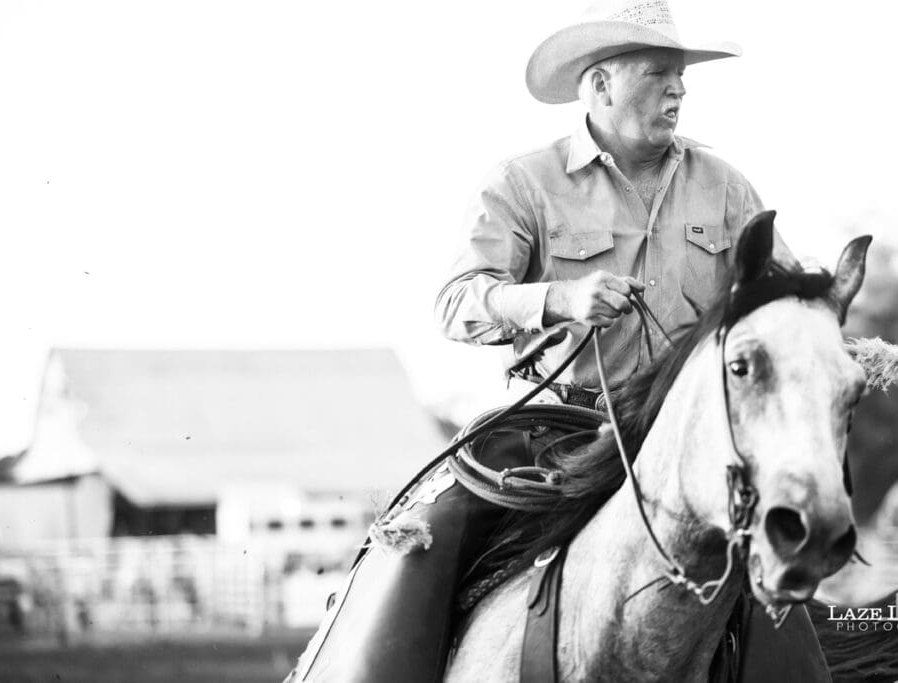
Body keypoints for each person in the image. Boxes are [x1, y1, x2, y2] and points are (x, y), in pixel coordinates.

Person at [289, 1, 829, 681]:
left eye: (682, 76)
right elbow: (456, 302)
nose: (679, 90)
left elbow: (783, 301)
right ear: (600, 84)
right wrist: (558, 299)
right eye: (658, 73)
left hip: (686, 442)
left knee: (779, 577)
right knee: (430, 533)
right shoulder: (523, 183)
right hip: (555, 435)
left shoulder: (726, 188)